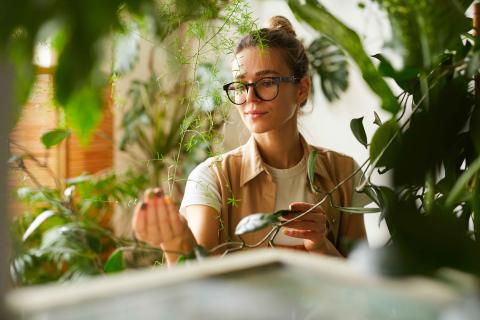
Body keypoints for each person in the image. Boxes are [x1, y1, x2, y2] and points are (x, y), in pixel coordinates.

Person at [132, 16, 369, 266]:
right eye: (240, 85)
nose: (250, 97)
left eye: (266, 82)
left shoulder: (344, 173)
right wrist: (175, 240)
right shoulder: (212, 178)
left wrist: (321, 246)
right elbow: (199, 278)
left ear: (301, 89)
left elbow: (365, 281)